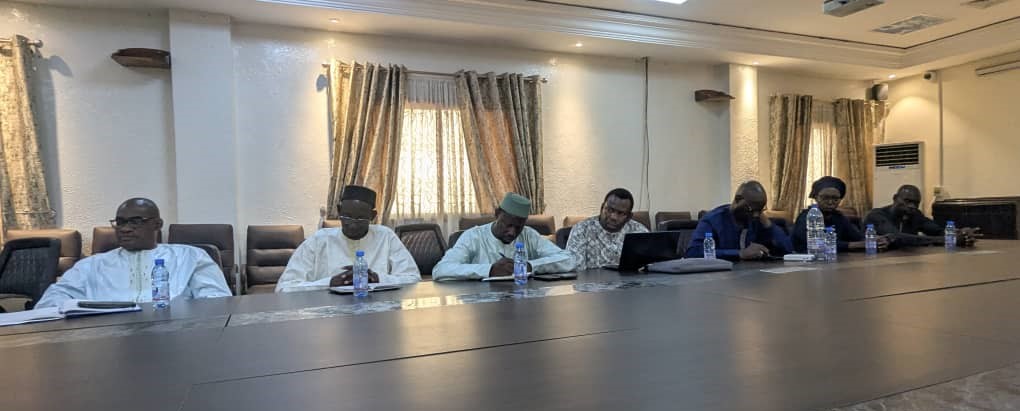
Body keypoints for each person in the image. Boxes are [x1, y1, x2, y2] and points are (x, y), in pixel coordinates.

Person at [35, 198, 231, 308]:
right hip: (108, 340)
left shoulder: (191, 257)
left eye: (136, 222)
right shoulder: (92, 265)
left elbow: (217, 303)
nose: (125, 229)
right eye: (120, 222)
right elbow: (52, 301)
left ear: (157, 224)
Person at [276, 185, 420, 292]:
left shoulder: (385, 236)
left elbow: (413, 278)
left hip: (377, 310)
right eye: (347, 216)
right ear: (339, 211)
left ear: (372, 216)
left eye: (361, 218)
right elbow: (284, 287)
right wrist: (330, 283)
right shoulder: (319, 240)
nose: (353, 224)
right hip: (329, 314)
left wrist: (378, 279)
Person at [432, 193, 575, 280]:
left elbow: (569, 259)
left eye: (518, 227)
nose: (512, 232)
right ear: (497, 214)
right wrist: (489, 270)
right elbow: (441, 270)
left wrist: (530, 266)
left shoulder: (528, 235)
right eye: (507, 225)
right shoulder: (473, 236)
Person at [685, 181, 793, 261]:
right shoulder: (713, 220)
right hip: (720, 278)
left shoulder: (756, 219)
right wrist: (739, 253)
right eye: (750, 209)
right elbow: (692, 253)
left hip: (752, 276)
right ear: (737, 200)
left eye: (760, 210)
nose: (755, 215)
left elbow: (788, 249)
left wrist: (768, 224)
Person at [792, 176, 890, 253]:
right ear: (816, 197)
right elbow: (816, 244)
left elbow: (857, 237)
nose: (830, 202)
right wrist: (856, 245)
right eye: (825, 198)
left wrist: (878, 240)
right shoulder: (806, 217)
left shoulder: (838, 217)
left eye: (835, 199)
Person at [864, 184, 980, 248]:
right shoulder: (876, 215)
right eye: (907, 201)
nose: (912, 206)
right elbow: (896, 237)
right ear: (895, 198)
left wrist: (960, 233)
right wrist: (947, 240)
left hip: (906, 264)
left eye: (916, 203)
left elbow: (937, 231)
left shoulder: (915, 215)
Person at [566, 188, 649, 270]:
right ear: (602, 208)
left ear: (629, 217)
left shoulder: (639, 232)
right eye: (610, 210)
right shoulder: (582, 230)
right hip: (593, 278)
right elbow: (577, 270)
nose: (613, 217)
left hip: (630, 278)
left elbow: (650, 266)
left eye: (620, 213)